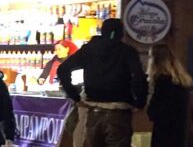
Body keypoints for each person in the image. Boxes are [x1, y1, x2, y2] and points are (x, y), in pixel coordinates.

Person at [57, 18, 147, 147]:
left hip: (93, 112)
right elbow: (139, 77)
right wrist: (140, 102)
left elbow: (63, 69)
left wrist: (75, 97)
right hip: (118, 113)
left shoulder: (89, 49)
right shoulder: (128, 51)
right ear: (121, 33)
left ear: (102, 31)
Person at [146, 44, 193, 147]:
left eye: (150, 57)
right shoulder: (182, 81)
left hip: (166, 134)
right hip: (182, 133)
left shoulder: (163, 81)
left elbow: (155, 111)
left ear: (156, 60)